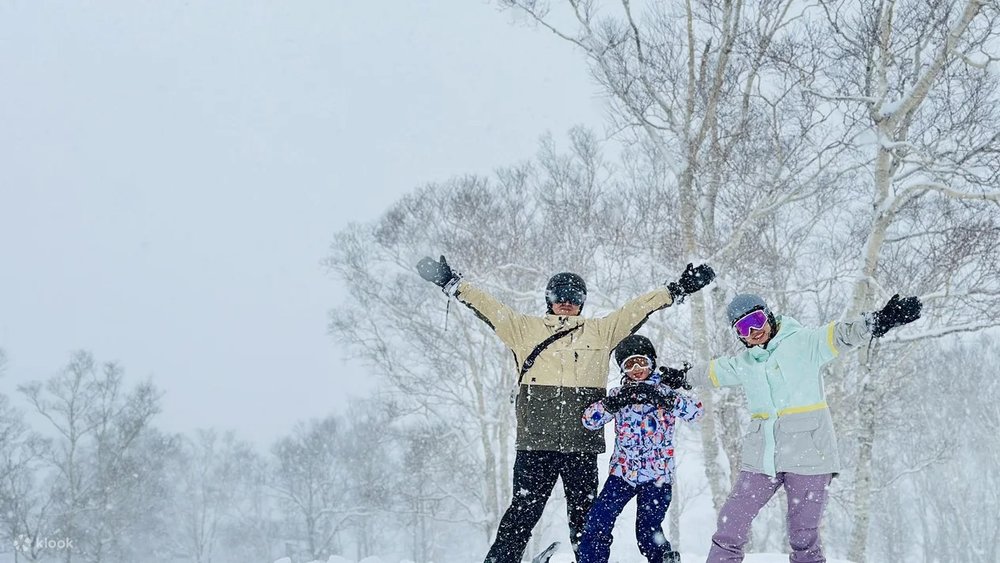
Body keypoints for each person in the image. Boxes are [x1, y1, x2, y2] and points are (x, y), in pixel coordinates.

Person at [415, 255, 715, 563]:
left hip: (581, 447)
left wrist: (677, 289)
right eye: (560, 296)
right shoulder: (524, 330)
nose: (567, 302)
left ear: (582, 302)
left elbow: (638, 308)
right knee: (521, 514)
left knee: (586, 522)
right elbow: (489, 307)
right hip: (536, 445)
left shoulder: (601, 332)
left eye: (574, 297)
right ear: (549, 299)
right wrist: (452, 282)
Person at [690, 292, 922, 563]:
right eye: (743, 327)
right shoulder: (744, 365)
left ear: (769, 316)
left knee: (804, 536)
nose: (753, 331)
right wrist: (679, 376)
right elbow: (711, 372)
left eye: (756, 320)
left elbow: (841, 335)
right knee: (732, 521)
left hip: (809, 455)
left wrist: (877, 322)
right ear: (738, 335)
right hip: (762, 457)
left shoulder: (805, 342)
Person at [578, 334, 703, 563]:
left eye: (642, 362)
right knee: (598, 520)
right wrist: (611, 403)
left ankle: (663, 558)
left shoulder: (665, 392)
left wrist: (664, 397)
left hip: (657, 476)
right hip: (622, 474)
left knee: (647, 529)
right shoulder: (618, 395)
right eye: (629, 364)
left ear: (652, 362)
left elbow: (696, 412)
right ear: (622, 369)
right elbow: (589, 420)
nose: (637, 369)